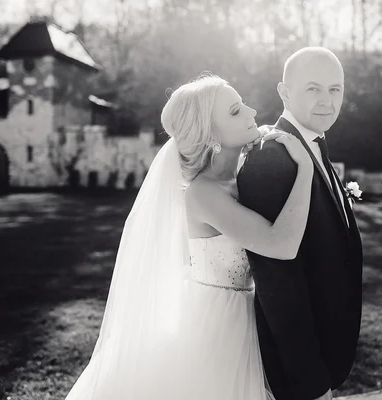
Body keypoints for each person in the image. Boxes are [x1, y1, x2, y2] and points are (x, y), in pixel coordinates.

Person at [64, 73, 314, 400]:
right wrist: (305, 169)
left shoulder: (241, 177)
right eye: (236, 111)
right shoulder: (203, 193)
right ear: (211, 135)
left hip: (248, 316)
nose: (253, 112)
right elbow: (281, 244)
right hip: (217, 326)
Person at [237, 46, 364, 400]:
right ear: (284, 93)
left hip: (325, 351)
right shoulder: (271, 159)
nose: (326, 100)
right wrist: (309, 382)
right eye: (313, 88)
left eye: (335, 89)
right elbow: (278, 284)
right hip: (297, 377)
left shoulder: (314, 145)